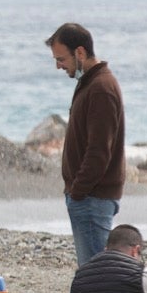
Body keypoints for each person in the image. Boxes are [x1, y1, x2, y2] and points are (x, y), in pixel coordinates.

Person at [47, 22, 126, 267]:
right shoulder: (91, 83)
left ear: (79, 53)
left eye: (61, 59)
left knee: (95, 273)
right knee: (93, 272)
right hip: (88, 197)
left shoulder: (101, 87)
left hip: (92, 198)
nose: (58, 66)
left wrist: (78, 191)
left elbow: (99, 151)